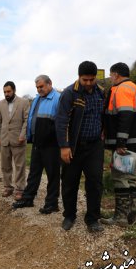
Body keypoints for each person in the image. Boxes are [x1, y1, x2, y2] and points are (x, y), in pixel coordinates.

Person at [55, 61, 105, 233]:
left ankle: (92, 219)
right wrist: (64, 146)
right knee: (69, 182)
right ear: (79, 77)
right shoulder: (70, 93)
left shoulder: (101, 93)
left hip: (95, 146)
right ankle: (69, 215)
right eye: (85, 80)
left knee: (95, 182)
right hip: (74, 146)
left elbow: (103, 116)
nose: (89, 83)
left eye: (92, 80)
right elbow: (61, 121)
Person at [101, 62, 136, 226]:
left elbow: (126, 115)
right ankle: (132, 216)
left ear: (116, 74)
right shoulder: (135, 88)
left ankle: (121, 217)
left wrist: (121, 141)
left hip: (126, 143)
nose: (110, 77)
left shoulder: (122, 89)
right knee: (131, 179)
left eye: (111, 74)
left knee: (121, 178)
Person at [12, 75, 61, 213]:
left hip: (52, 144)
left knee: (52, 175)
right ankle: (28, 199)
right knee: (34, 173)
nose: (39, 89)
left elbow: (61, 122)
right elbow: (32, 119)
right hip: (37, 143)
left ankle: (52, 203)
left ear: (50, 84)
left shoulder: (58, 99)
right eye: (37, 87)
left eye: (41, 86)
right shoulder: (37, 99)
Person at [0, 81, 30, 201]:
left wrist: (23, 135)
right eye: (5, 92)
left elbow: (27, 120)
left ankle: (20, 189)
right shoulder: (0, 104)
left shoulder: (23, 102)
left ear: (14, 90)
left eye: (8, 91)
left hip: (18, 140)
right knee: (5, 166)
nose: (6, 94)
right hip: (5, 139)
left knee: (20, 166)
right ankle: (8, 187)